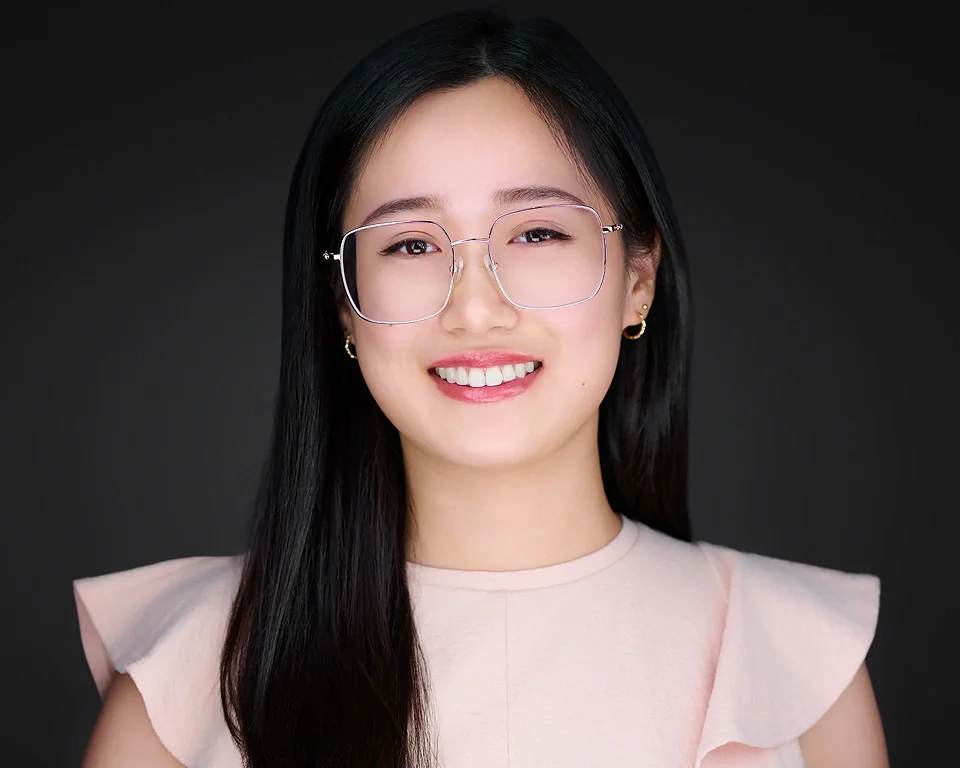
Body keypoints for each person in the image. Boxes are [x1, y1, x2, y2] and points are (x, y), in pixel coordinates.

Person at [73, 9, 887, 768]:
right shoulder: (190, 667)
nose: (476, 307)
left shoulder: (795, 657)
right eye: (411, 245)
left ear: (637, 280)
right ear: (344, 309)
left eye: (536, 232)